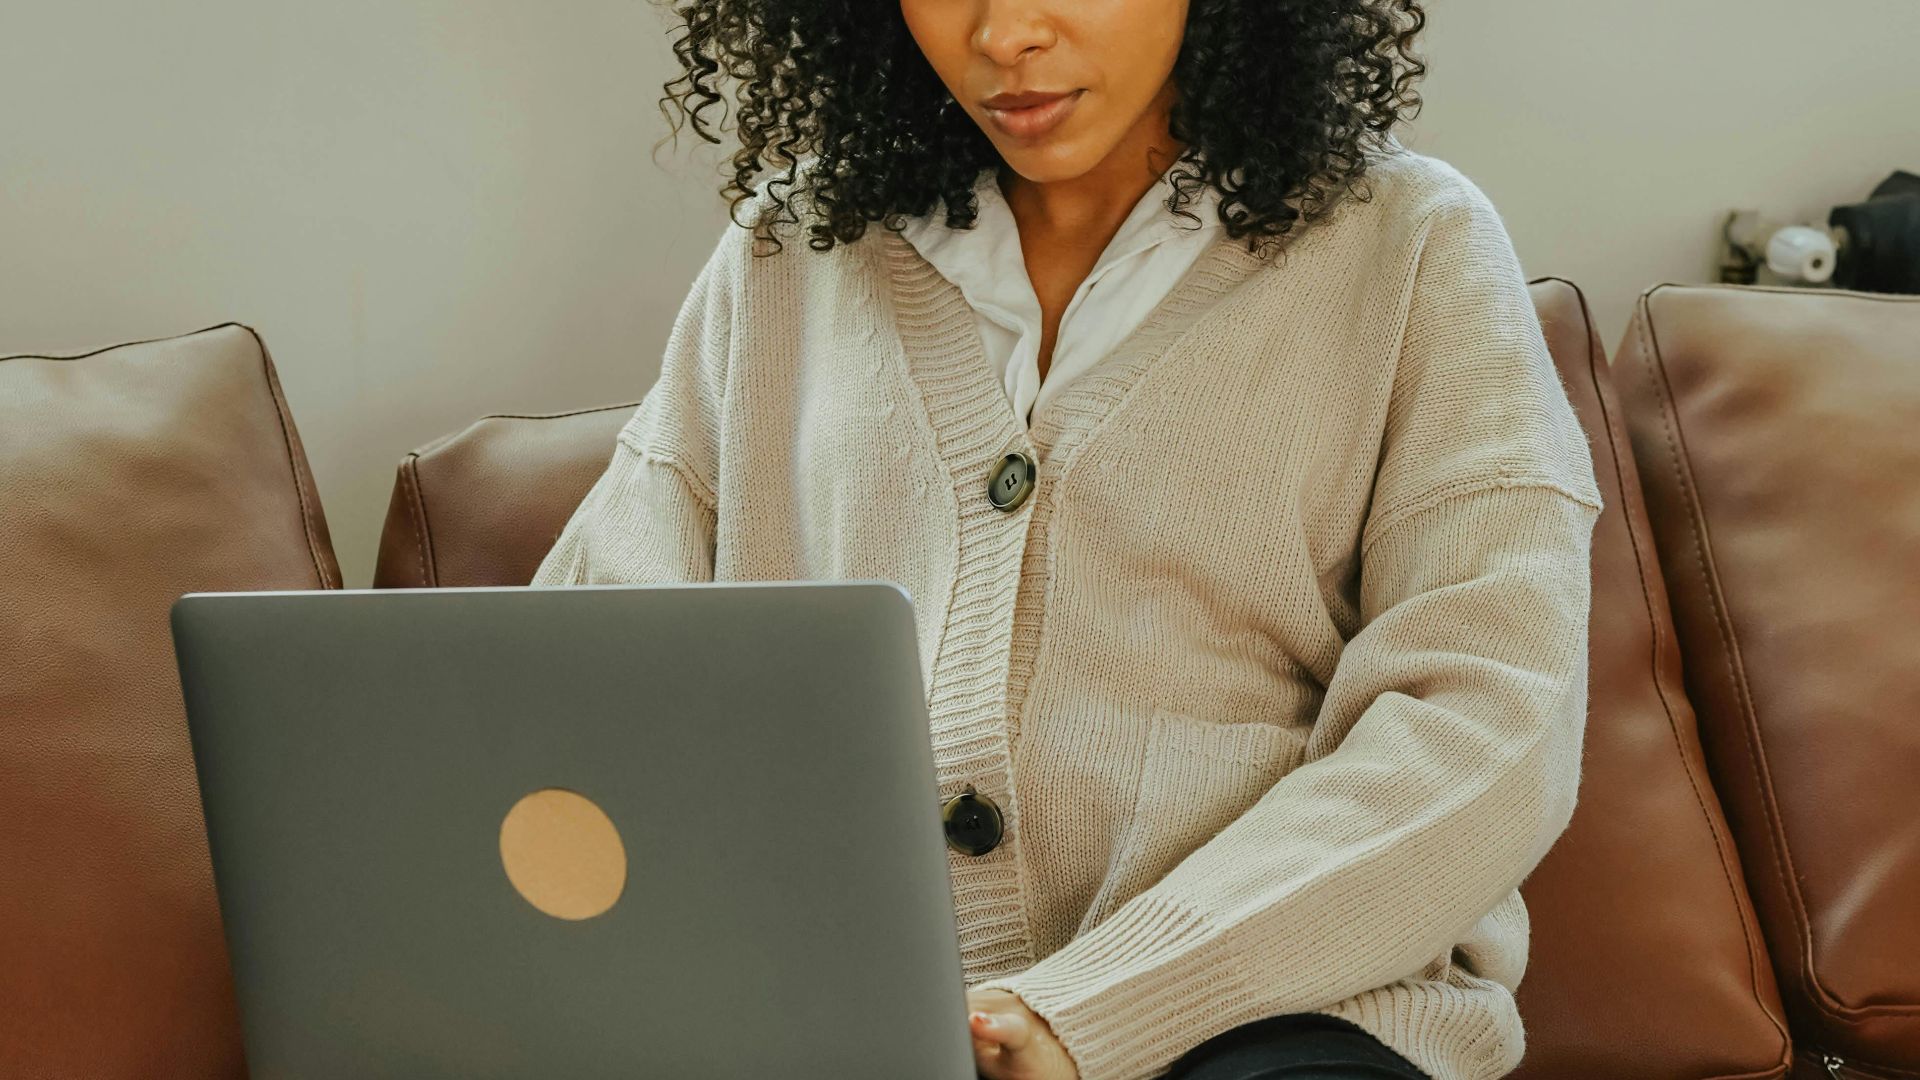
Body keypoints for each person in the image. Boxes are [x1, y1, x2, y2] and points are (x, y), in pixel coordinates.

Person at [530, 0, 1605, 1075]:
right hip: (834, 1020)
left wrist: (1096, 1007)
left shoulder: (1412, 245)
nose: (1003, 35)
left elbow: (1484, 720)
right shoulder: (792, 250)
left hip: (1281, 1022)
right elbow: (578, 668)